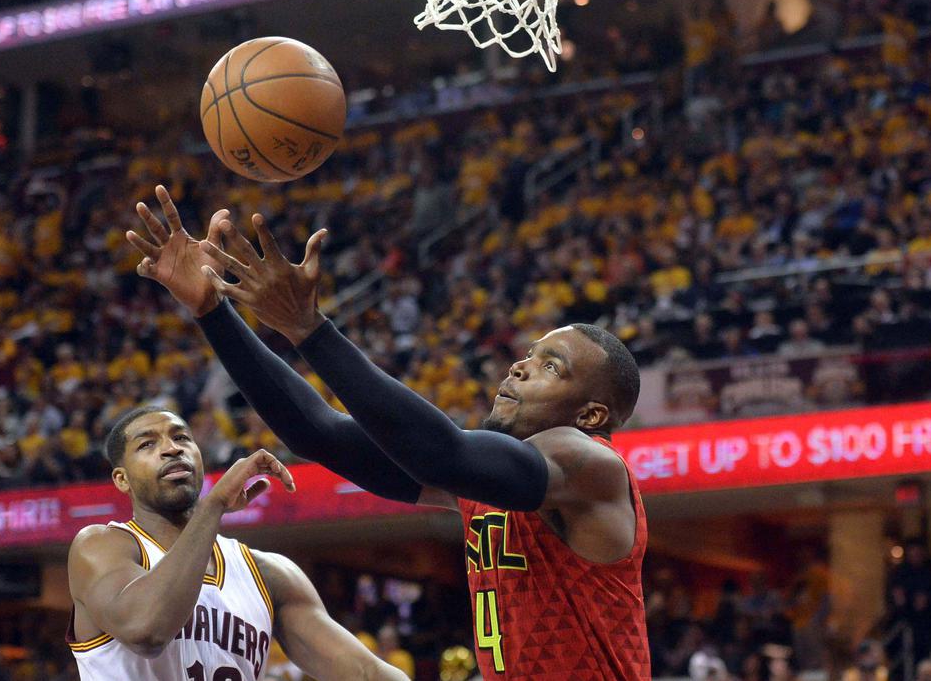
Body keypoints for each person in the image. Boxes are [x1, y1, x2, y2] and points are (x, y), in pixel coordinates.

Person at [126, 188, 650, 679]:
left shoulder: (591, 466)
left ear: (591, 416)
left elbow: (443, 454)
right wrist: (212, 311)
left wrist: (310, 330)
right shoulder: (494, 483)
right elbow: (320, 433)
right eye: (528, 354)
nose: (519, 367)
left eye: (550, 366)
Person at [66, 405, 407, 681]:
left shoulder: (269, 574)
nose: (171, 449)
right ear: (121, 479)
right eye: (147, 444)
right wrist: (212, 506)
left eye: (181, 437)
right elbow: (145, 630)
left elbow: (365, 672)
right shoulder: (102, 546)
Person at [887, 538, 931, 663]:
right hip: (908, 624)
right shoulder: (900, 572)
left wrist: (929, 599)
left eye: (918, 553)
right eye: (912, 553)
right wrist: (899, 600)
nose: (915, 557)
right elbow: (892, 595)